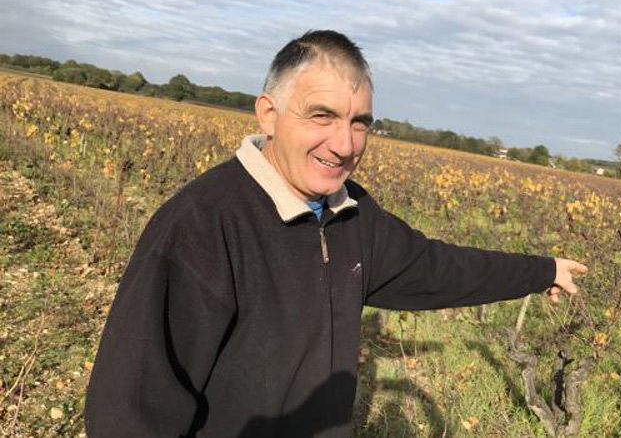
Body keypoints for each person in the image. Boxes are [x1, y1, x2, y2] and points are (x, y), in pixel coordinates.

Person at [85, 30, 588, 437]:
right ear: (269, 114)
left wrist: (540, 270)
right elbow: (133, 405)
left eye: (360, 123)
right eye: (322, 116)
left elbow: (436, 268)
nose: (344, 144)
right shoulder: (201, 224)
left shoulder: (350, 213)